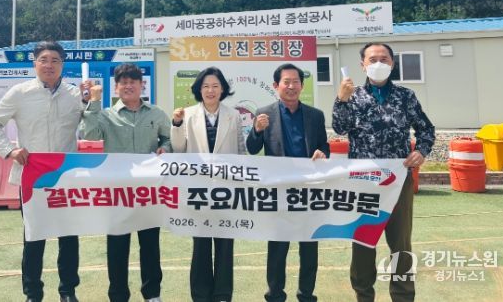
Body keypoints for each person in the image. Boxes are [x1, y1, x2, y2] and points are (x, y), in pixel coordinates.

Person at [0, 40, 85, 302]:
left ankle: (68, 291)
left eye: (55, 60)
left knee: (69, 237)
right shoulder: (20, 93)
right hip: (32, 177)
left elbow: (92, 126)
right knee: (33, 238)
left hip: (66, 177)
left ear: (63, 65)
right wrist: (10, 150)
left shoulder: (75, 94)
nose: (49, 65)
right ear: (34, 63)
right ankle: (33, 293)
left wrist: (90, 101)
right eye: (44, 60)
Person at [332, 42, 435, 302]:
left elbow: (426, 129)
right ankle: (363, 295)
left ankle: (403, 296)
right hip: (363, 182)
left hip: (397, 181)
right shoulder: (353, 96)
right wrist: (341, 99)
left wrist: (421, 151)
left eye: (384, 59)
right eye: (372, 59)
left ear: (392, 63)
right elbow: (340, 128)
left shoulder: (405, 96)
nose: (378, 63)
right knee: (363, 241)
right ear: (362, 65)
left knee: (401, 244)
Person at [82, 63, 171, 302]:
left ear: (142, 85)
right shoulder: (105, 115)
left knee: (150, 245)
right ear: (116, 87)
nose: (128, 86)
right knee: (117, 246)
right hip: (117, 191)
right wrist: (93, 102)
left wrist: (165, 148)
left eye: (133, 81)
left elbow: (168, 138)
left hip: (148, 190)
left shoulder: (156, 113)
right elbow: (89, 135)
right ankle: (118, 295)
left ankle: (152, 294)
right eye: (123, 82)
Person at [246, 63, 329, 302]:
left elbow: (324, 146)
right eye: (286, 82)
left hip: (309, 190)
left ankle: (306, 294)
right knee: (277, 247)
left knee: (309, 247)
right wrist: (256, 130)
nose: (291, 86)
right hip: (279, 191)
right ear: (276, 85)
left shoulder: (315, 115)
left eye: (296, 82)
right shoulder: (264, 113)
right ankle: (274, 294)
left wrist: (323, 153)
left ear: (302, 85)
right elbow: (252, 149)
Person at [170, 67, 245, 302]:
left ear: (222, 89)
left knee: (225, 245)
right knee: (200, 244)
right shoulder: (187, 114)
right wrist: (176, 123)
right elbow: (178, 148)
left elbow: (241, 151)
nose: (210, 90)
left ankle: (222, 294)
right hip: (198, 190)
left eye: (215, 86)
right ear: (198, 90)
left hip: (227, 190)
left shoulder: (234, 115)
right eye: (205, 86)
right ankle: (200, 295)